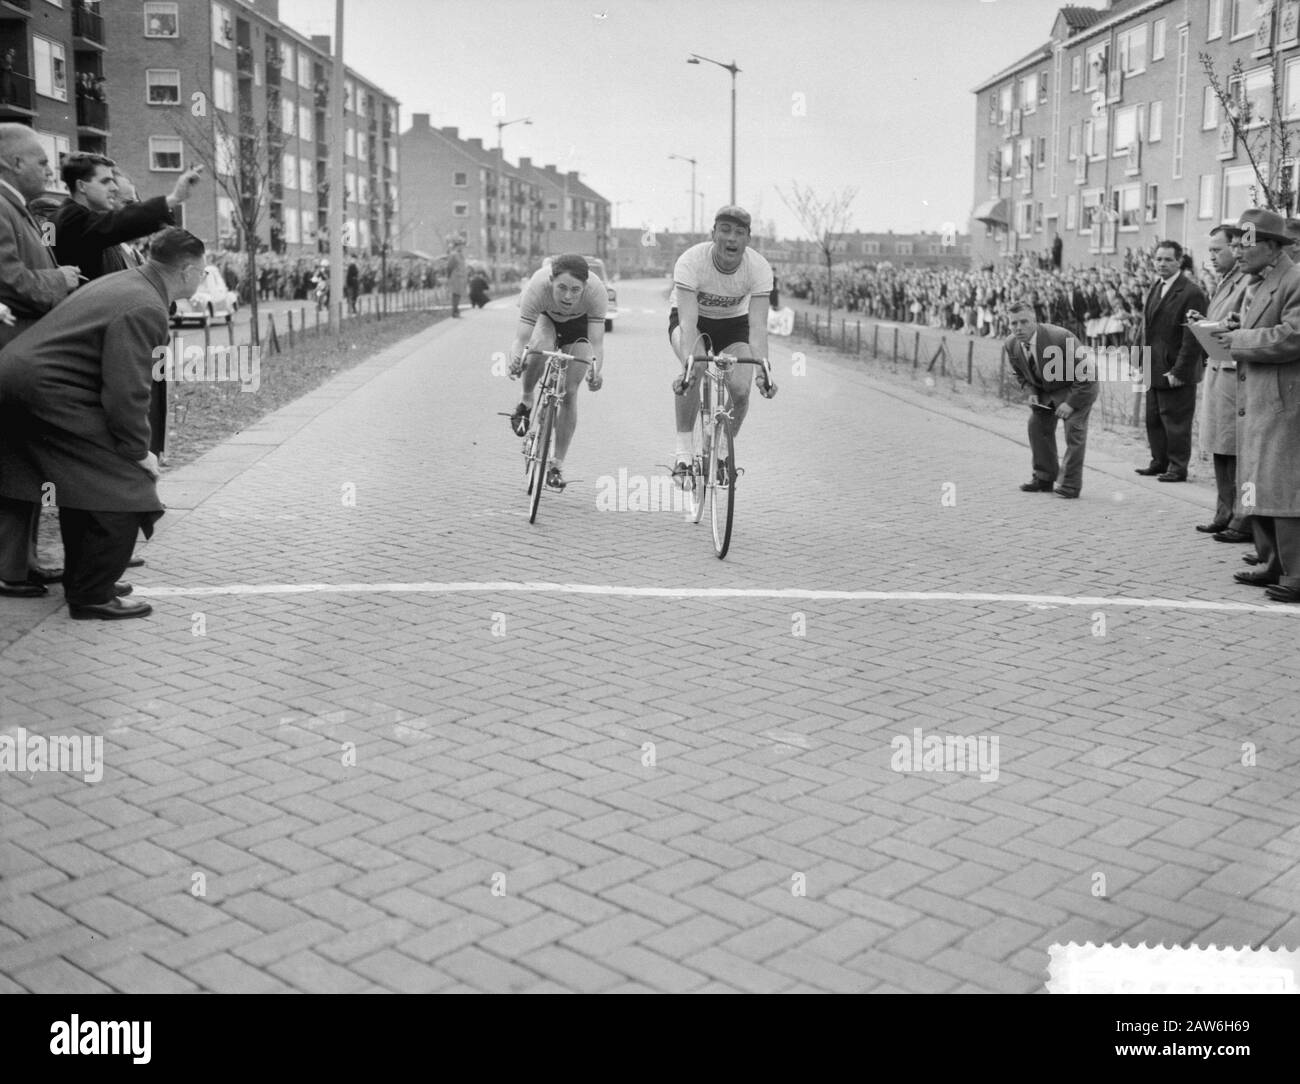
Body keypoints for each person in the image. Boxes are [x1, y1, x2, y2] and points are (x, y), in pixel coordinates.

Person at [0, 228, 207, 620]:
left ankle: (87, 581)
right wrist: (136, 451)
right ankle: (92, 595)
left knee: (83, 481)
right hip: (46, 390)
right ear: (187, 271)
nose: (203, 278)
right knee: (122, 482)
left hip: (26, 381)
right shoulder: (146, 305)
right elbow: (127, 390)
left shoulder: (127, 283)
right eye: (204, 272)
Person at [0, 123, 81, 599]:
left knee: (22, 463)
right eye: (42, 163)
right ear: (14, 163)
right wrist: (61, 282)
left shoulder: (16, 208)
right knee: (13, 462)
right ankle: (10, 568)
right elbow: (9, 280)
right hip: (11, 355)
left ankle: (22, 561)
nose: (49, 171)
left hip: (21, 355)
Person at [1209, 209, 1300, 603]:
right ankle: (1270, 562)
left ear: (1272, 247)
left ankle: (1295, 573)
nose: (1237, 252)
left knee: (1282, 488)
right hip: (1258, 399)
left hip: (1282, 401)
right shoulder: (1257, 282)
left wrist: (1240, 340)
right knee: (1256, 482)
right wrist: (1235, 331)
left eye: (1244, 244)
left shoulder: (1294, 281)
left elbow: (1294, 335)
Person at [667, 205, 775, 487]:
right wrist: (689, 365)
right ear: (713, 234)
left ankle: (722, 454)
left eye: (739, 233)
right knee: (697, 365)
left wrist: (764, 370)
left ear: (747, 239)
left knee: (741, 389)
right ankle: (683, 456)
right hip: (692, 319)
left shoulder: (759, 267)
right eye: (725, 230)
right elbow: (689, 324)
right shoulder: (691, 261)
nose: (731, 238)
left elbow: (759, 326)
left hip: (734, 324)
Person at [504, 254, 605, 490]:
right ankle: (527, 400)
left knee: (570, 391)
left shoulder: (596, 292)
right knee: (541, 347)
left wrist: (596, 371)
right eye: (561, 288)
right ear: (551, 281)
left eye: (575, 289)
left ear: (585, 286)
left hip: (578, 325)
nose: (568, 296)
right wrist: (516, 360)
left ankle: (556, 465)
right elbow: (521, 338)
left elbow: (596, 344)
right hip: (545, 318)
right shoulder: (537, 286)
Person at [52, 152, 201, 281]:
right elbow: (120, 222)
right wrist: (173, 198)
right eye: (105, 182)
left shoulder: (59, 217)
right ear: (81, 186)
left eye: (112, 180)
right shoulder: (73, 219)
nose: (114, 187)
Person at [1004, 299, 1098, 499]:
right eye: (1013, 323)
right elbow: (1021, 373)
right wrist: (1031, 390)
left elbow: (1088, 373)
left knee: (1074, 431)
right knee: (1036, 425)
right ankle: (1044, 477)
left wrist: (1070, 403)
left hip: (1078, 388)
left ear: (1035, 321)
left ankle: (1070, 485)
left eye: (1024, 322)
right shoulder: (1011, 344)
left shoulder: (1060, 337)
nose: (1018, 328)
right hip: (1047, 391)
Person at [1193, 225, 1251, 542]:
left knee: (1233, 449)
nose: (1212, 256)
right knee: (1219, 446)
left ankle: (1241, 519)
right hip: (1218, 371)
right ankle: (1223, 511)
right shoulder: (1226, 281)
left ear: (1235, 248)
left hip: (1234, 376)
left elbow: (1243, 325)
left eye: (1217, 250)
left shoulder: (1246, 281)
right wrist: (1202, 324)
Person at [1135, 240, 1208, 482]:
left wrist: (1180, 370)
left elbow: (1193, 337)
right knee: (1154, 418)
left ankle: (1177, 467)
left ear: (1179, 261)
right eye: (1158, 259)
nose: (1162, 264)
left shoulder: (1191, 292)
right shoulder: (1157, 286)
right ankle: (1159, 462)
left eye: (1168, 259)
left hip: (1175, 369)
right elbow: (1146, 327)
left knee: (1176, 420)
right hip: (1153, 365)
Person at [446, 238, 467, 317]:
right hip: (456, 277)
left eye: (462, 246)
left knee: (458, 294)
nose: (462, 247)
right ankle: (455, 312)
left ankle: (456, 311)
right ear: (457, 246)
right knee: (456, 294)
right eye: (460, 245)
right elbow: (449, 267)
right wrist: (449, 277)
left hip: (461, 278)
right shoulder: (454, 255)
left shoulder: (460, 255)